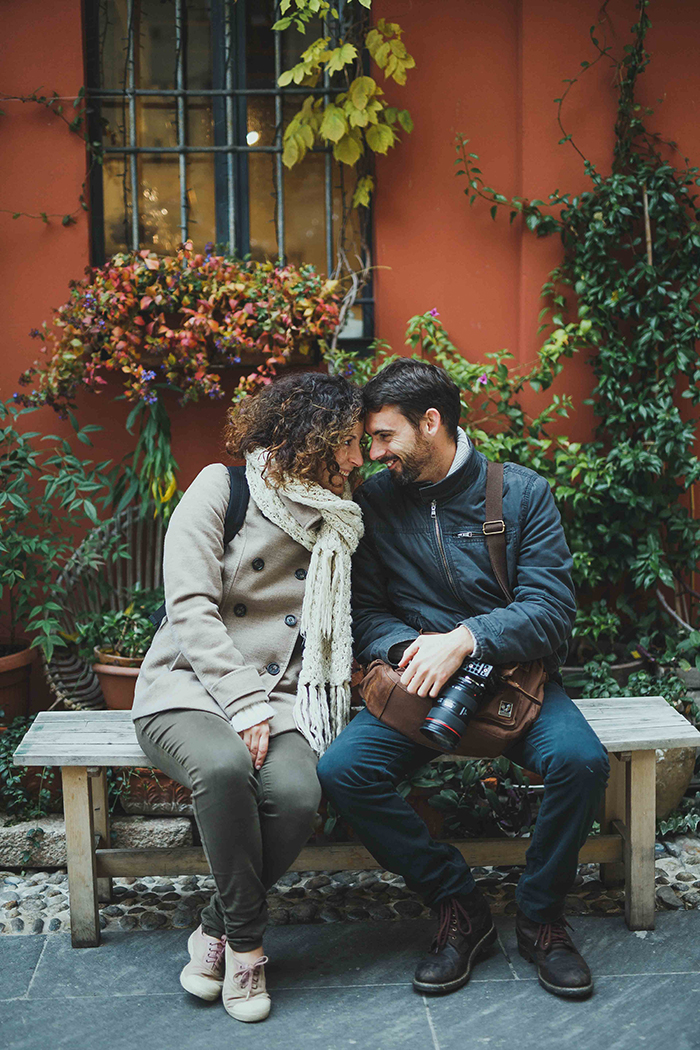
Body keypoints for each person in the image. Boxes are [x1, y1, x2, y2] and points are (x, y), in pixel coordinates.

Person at [318, 358, 609, 1001]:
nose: (374, 452)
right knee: (344, 771)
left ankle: (539, 919)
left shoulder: (522, 493)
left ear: (431, 423)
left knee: (581, 763)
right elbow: (363, 611)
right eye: (370, 439)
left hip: (514, 682)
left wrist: (467, 640)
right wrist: (409, 650)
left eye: (385, 436)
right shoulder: (374, 501)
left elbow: (553, 612)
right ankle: (460, 908)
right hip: (416, 686)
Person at [132, 372, 364, 1023]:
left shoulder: (340, 521)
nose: (356, 459)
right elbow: (189, 609)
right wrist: (243, 702)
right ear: (306, 437)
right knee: (224, 767)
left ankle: (213, 928)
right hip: (188, 684)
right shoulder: (221, 489)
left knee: (296, 795)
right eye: (345, 443)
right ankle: (248, 945)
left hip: (286, 694)